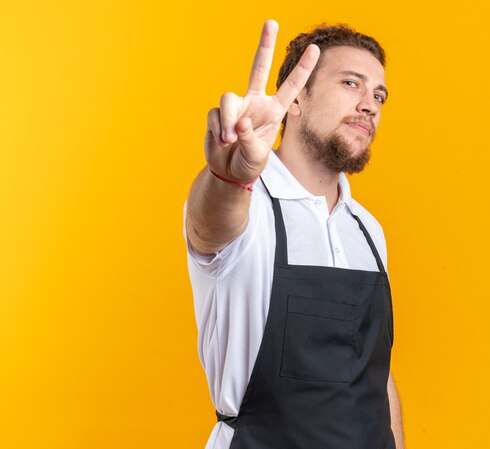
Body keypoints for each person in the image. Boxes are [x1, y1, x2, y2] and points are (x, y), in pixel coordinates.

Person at [184, 19, 404, 449]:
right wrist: (229, 177)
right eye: (351, 84)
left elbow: (376, 373)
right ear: (296, 97)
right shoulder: (248, 206)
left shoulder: (367, 230)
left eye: (378, 94)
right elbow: (208, 225)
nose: (370, 105)